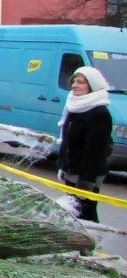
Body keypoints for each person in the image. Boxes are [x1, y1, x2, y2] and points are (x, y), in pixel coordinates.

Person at [57, 65, 113, 223]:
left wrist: (86, 182)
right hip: (72, 169)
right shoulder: (75, 107)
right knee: (73, 212)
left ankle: (93, 244)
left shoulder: (99, 112)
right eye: (73, 81)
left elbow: (96, 151)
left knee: (85, 213)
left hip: (88, 174)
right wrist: (62, 165)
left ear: (92, 86)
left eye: (80, 82)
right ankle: (81, 244)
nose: (74, 85)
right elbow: (66, 140)